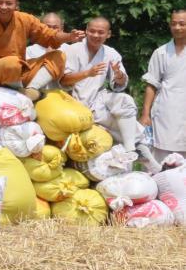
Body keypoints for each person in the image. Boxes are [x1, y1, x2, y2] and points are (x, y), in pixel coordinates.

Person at [60, 17, 160, 173]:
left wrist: (118, 74)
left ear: (108, 34)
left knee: (125, 100)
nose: (96, 35)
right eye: (92, 31)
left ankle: (129, 150)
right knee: (128, 131)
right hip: (73, 105)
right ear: (86, 31)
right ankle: (139, 151)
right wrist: (87, 73)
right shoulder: (72, 50)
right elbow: (64, 80)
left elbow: (119, 85)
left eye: (101, 32)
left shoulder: (110, 53)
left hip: (98, 102)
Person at [140, 10, 186, 163]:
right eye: (174, 24)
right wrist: (145, 114)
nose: (177, 27)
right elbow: (151, 84)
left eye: (182, 24)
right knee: (161, 155)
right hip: (166, 108)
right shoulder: (160, 53)